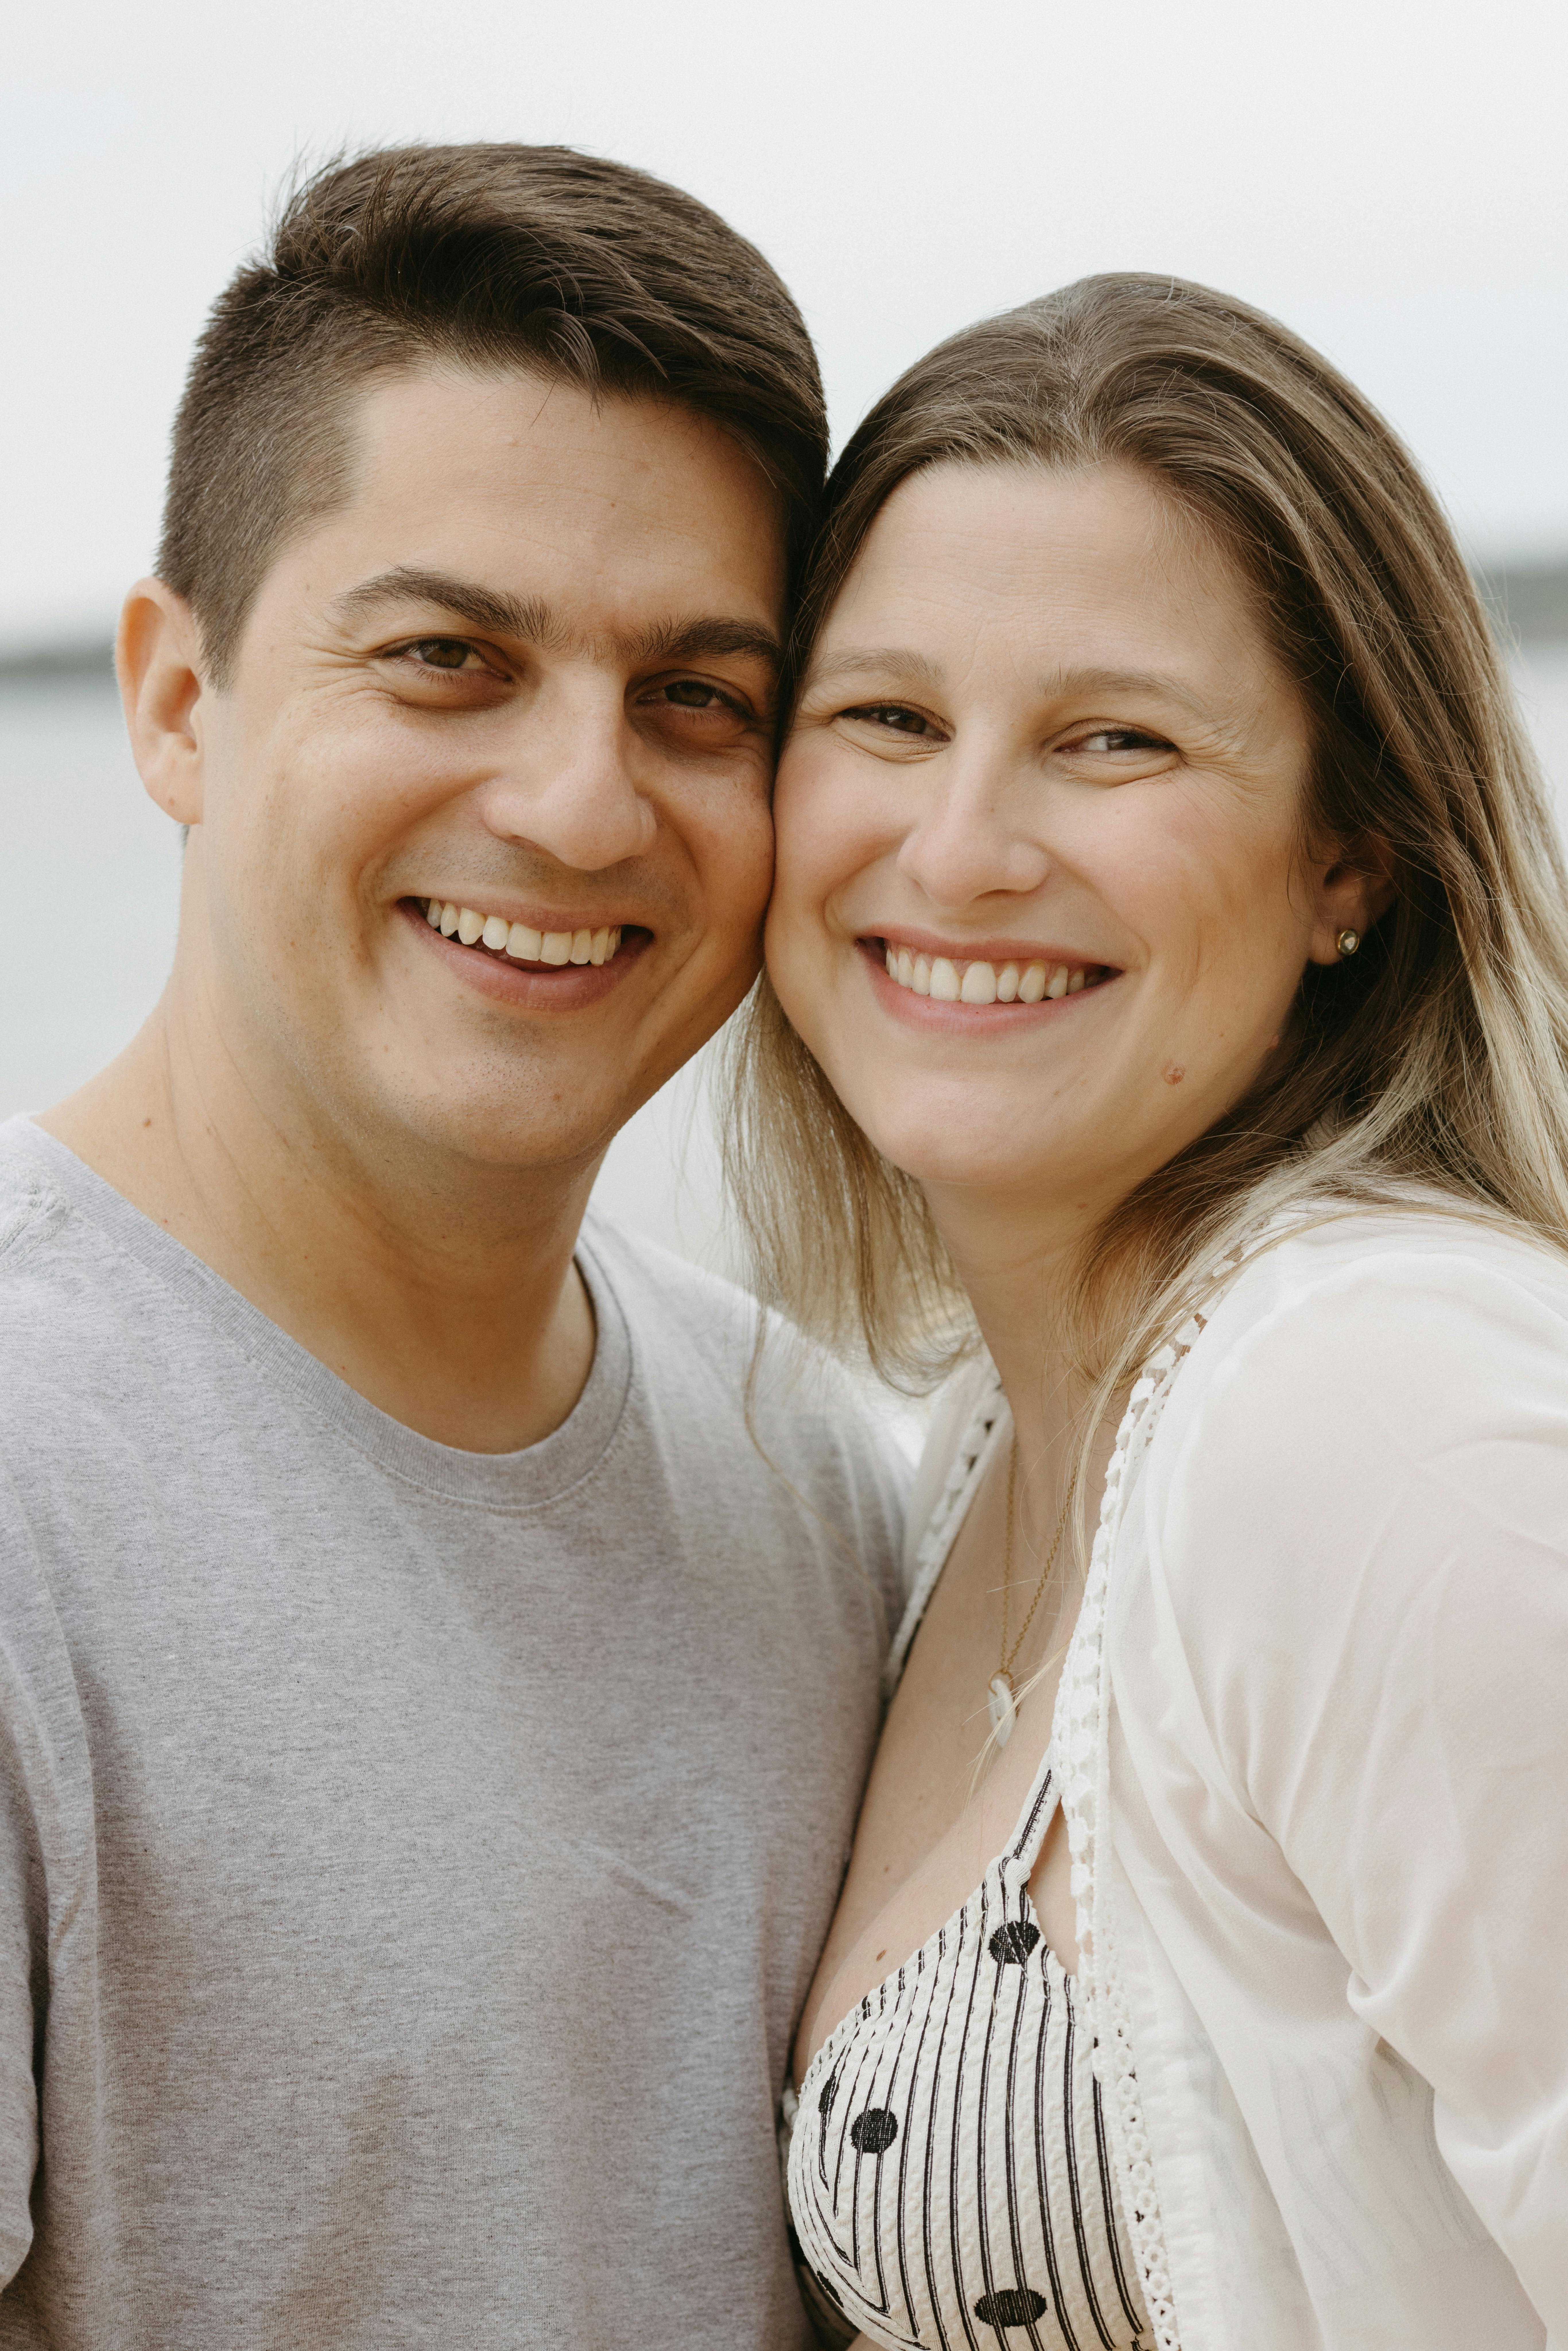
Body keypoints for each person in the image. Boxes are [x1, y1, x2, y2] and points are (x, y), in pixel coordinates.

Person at [0, 145, 909, 2347]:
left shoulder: (824, 1479)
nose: (582, 805)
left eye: (698, 696)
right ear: (179, 701)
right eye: (446, 659)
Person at [725, 275, 1568, 2346]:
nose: (962, 845)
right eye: (888, 718)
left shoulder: (1372, 1421)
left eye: (1114, 739)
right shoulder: (970, 1467)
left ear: (1347, 857)